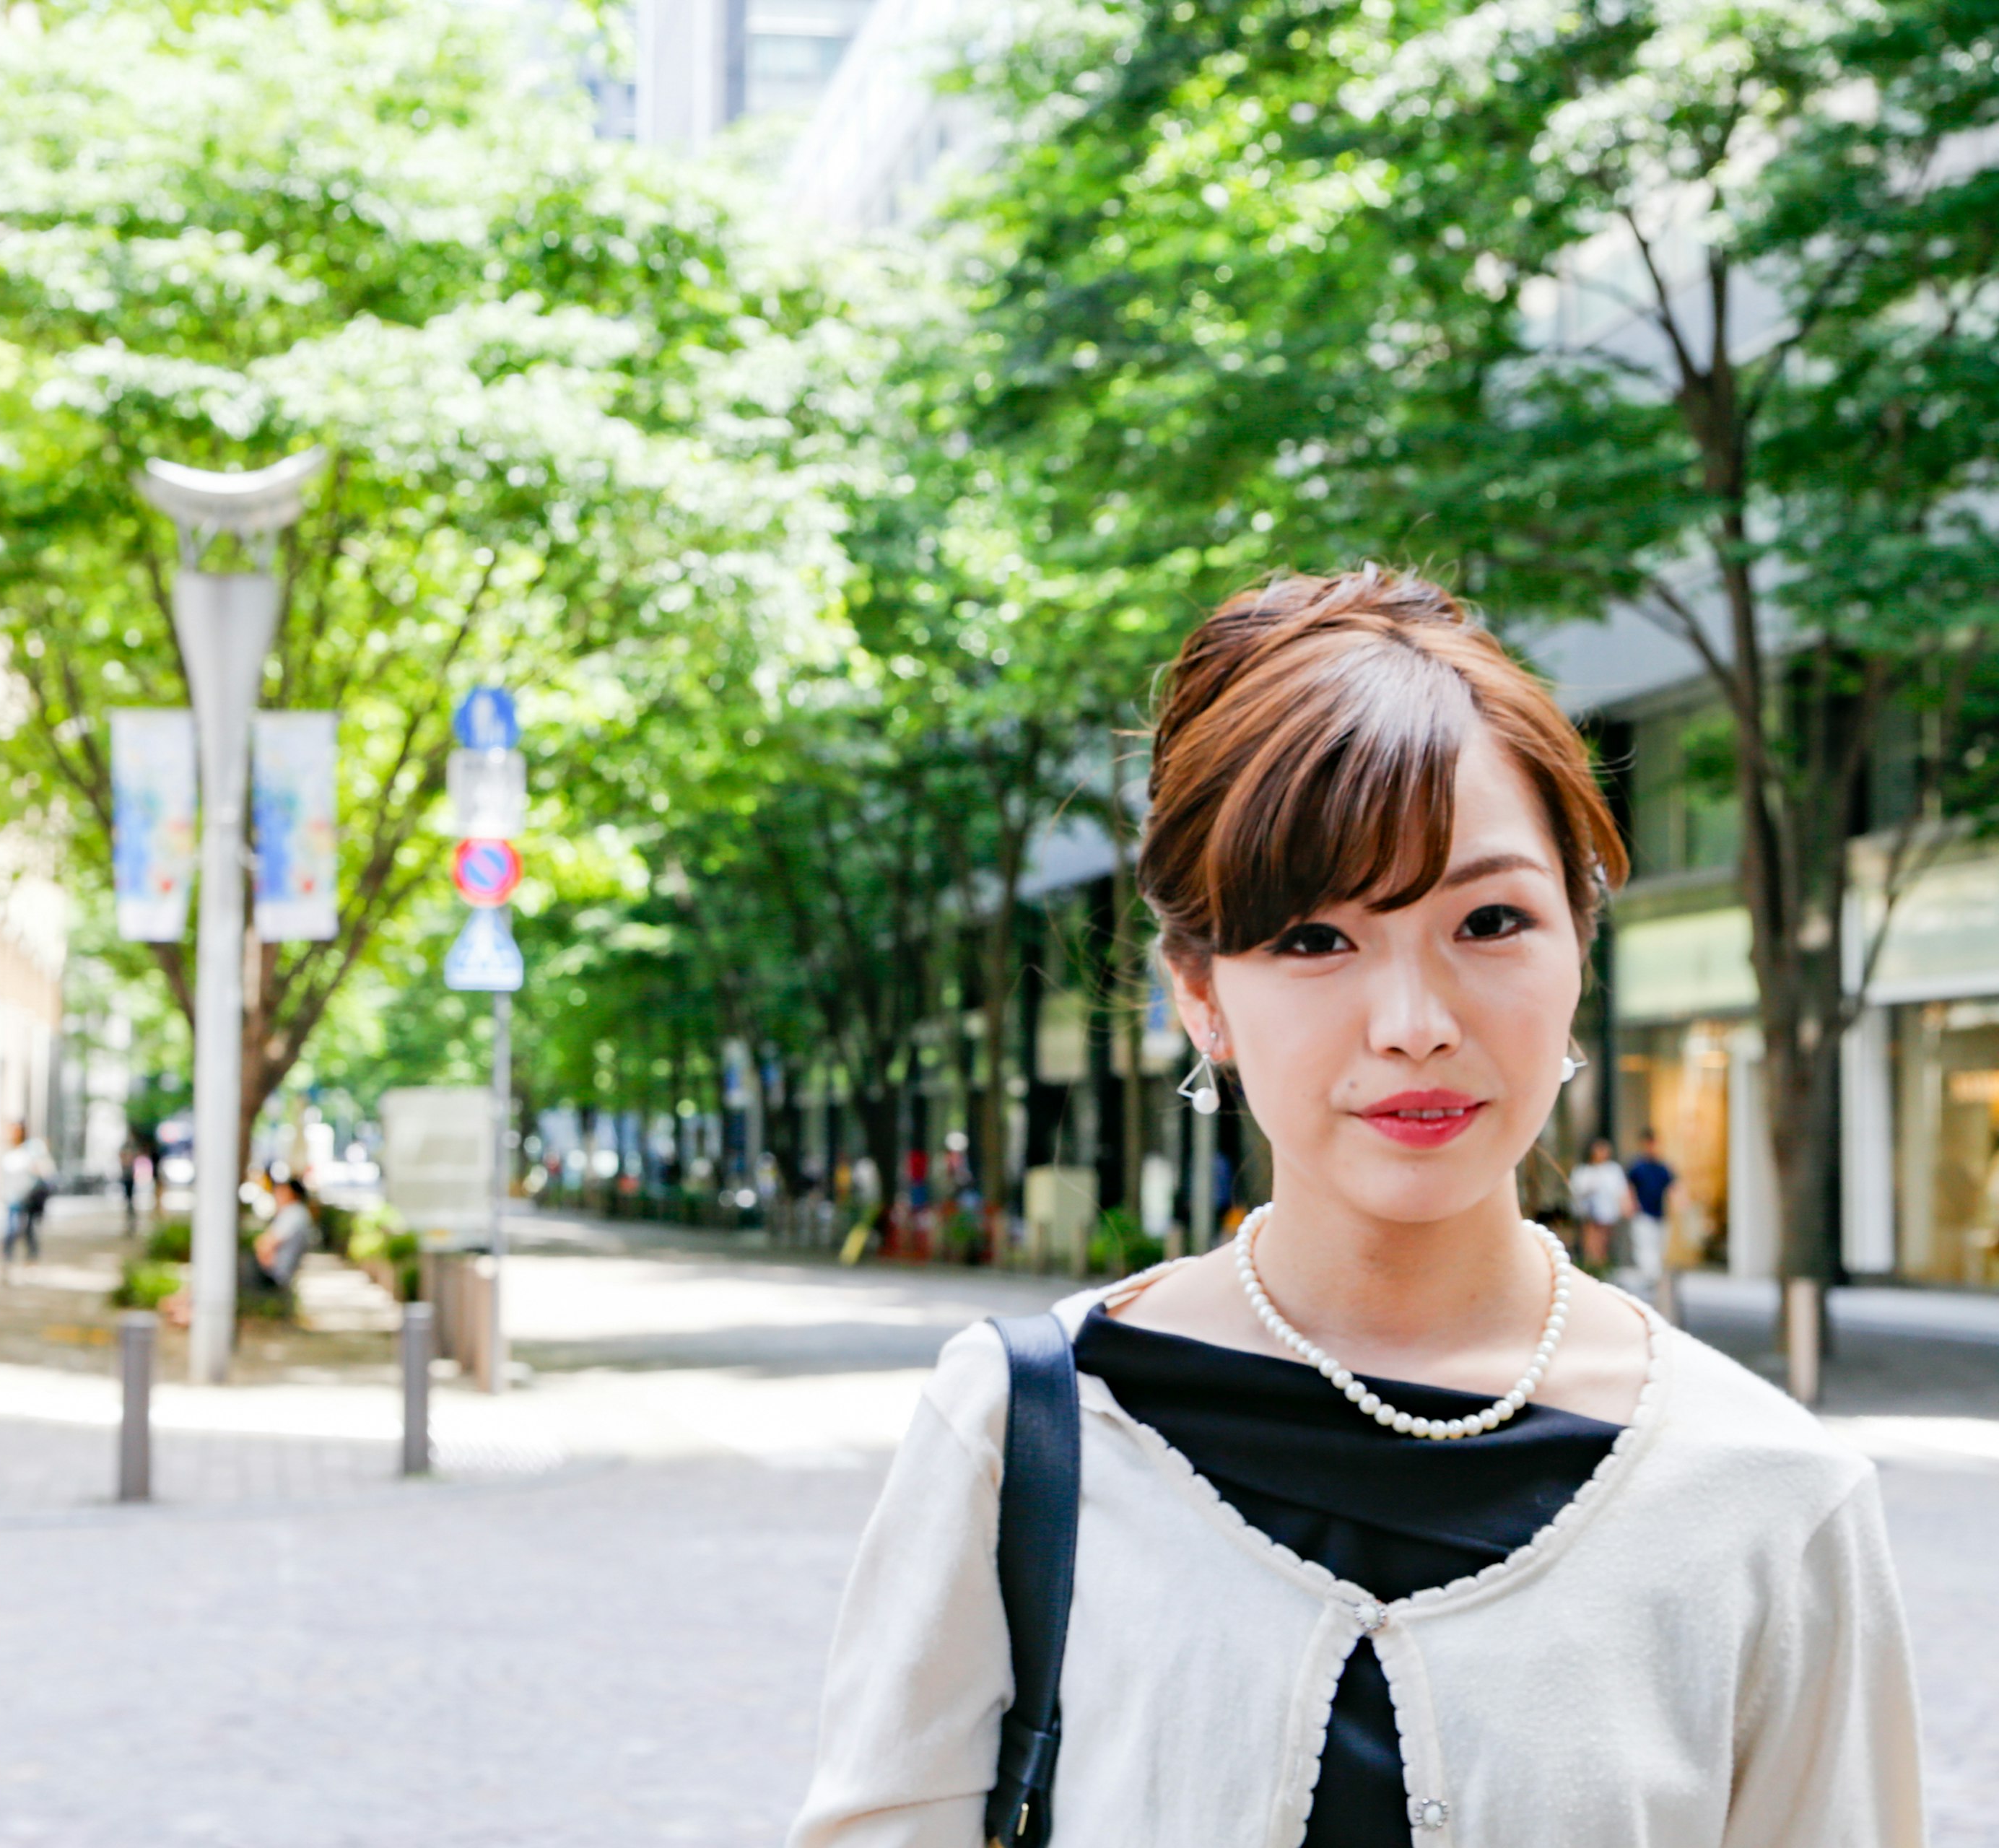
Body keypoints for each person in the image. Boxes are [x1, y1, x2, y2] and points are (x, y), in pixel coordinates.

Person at [789, 570, 1921, 1848]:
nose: (1414, 1027)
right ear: (1202, 996)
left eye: (1490, 921)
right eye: (1316, 940)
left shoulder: (1767, 1494)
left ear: (1578, 946)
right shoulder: (1030, 1432)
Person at [1569, 1133, 1634, 1273]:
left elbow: (1621, 1190)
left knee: (1604, 1241)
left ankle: (1603, 1268)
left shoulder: (1613, 1170)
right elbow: (1576, 1190)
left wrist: (1626, 1206)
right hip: (1588, 1213)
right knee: (1591, 1242)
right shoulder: (1583, 1171)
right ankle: (1592, 1268)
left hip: (1607, 1213)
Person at [0, 1124, 53, 1269]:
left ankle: (31, 1260)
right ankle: (8, 1261)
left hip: (28, 1198)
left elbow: (43, 1172)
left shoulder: (29, 1154)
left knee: (29, 1231)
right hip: (13, 1198)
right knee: (12, 1230)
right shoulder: (9, 1155)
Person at [1627, 1127, 1678, 1278]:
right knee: (1645, 1248)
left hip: (1660, 1214)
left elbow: (1673, 1187)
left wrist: (1678, 1203)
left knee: (1658, 1248)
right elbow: (1629, 1187)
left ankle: (1654, 1277)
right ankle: (1649, 1277)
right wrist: (1630, 1204)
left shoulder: (1663, 1168)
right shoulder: (1637, 1167)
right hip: (1643, 1214)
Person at [251, 1176, 313, 1292]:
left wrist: (264, 1252)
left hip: (276, 1274)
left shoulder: (293, 1213)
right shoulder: (297, 1213)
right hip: (279, 1272)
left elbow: (268, 1244)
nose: (277, 1196)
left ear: (292, 1194)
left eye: (281, 1192)